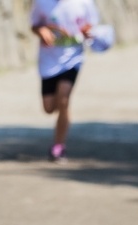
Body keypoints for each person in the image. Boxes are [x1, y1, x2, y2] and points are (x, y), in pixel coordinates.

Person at [30, 0, 100, 162]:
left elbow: (93, 25)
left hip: (72, 59)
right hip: (48, 61)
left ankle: (58, 146)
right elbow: (34, 25)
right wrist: (42, 30)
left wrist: (86, 31)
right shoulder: (41, 2)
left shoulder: (84, 3)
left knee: (63, 100)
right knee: (49, 107)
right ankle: (60, 122)